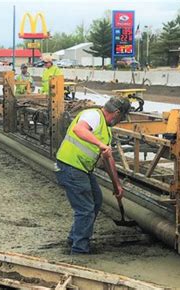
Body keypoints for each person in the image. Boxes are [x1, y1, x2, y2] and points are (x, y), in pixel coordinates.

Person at [55, 97, 131, 254]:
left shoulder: (106, 130)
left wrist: (117, 185)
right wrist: (100, 144)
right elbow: (79, 129)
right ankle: (79, 249)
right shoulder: (93, 115)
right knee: (86, 209)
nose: (120, 121)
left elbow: (107, 158)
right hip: (71, 166)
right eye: (121, 117)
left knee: (96, 200)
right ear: (117, 112)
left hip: (82, 168)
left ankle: (74, 238)